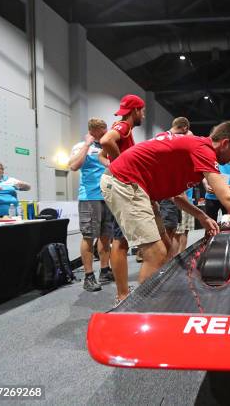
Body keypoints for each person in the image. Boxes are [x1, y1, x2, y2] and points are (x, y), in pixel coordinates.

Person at [101, 121, 230, 305]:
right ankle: (136, 311)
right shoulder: (203, 149)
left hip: (139, 187)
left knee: (167, 248)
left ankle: (154, 298)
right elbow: (228, 199)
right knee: (155, 253)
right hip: (124, 182)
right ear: (224, 143)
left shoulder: (195, 149)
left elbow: (177, 195)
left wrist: (202, 216)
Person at [100, 94, 145, 304]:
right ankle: (122, 294)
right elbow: (106, 141)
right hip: (120, 187)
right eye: (142, 111)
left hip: (116, 185)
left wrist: (113, 164)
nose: (143, 115)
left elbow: (101, 154)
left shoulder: (122, 128)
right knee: (121, 241)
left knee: (121, 239)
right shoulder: (123, 126)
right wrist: (121, 165)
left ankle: (123, 292)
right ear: (136, 111)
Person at [69, 118, 115, 292]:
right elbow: (73, 166)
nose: (105, 133)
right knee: (89, 236)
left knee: (106, 236)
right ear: (92, 131)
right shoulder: (81, 146)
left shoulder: (107, 146)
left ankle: (105, 270)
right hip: (89, 198)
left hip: (108, 197)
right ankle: (89, 276)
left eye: (105, 130)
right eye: (101, 131)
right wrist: (86, 145)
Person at [155, 117, 194, 259]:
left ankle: (174, 260)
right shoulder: (165, 139)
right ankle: (164, 263)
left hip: (179, 197)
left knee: (176, 230)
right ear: (184, 129)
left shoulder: (177, 147)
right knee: (168, 231)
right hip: (169, 195)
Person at [203, 153, 230, 221]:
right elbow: (203, 171)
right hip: (211, 196)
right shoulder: (209, 151)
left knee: (228, 224)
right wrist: (206, 185)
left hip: (228, 195)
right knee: (210, 226)